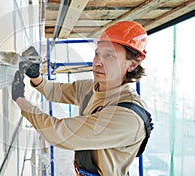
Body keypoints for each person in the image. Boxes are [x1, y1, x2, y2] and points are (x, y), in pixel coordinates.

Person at [11, 21, 153, 176]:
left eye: (109, 56)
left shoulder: (126, 117)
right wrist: (35, 76)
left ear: (132, 65)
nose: (98, 63)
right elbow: (55, 91)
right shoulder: (90, 88)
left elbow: (59, 133)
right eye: (97, 54)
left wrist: (20, 99)